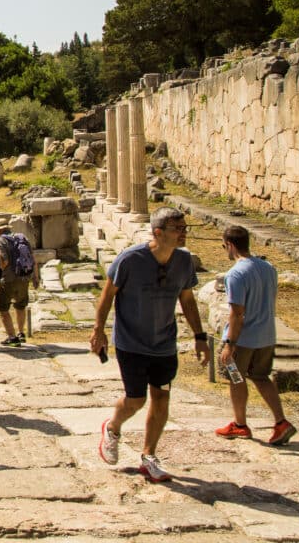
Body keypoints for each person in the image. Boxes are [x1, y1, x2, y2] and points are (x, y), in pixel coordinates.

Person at [90, 207, 210, 483]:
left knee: (162, 397)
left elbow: (188, 301)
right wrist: (99, 331)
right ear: (158, 232)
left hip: (164, 343)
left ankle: (149, 456)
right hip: (131, 342)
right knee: (136, 400)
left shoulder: (183, 261)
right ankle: (113, 427)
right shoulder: (130, 260)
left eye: (184, 228)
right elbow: (107, 296)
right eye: (177, 228)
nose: (183, 233)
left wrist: (200, 336)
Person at [215, 225, 296, 446]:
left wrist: (230, 344)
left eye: (224, 246)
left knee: (235, 377)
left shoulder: (236, 274)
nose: (225, 250)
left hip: (243, 339)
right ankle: (281, 422)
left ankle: (240, 424)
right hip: (266, 335)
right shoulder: (268, 267)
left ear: (230, 245)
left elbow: (237, 313)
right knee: (261, 377)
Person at [0, 223, 31, 347]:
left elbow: (4, 261)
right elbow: (32, 257)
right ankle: (21, 333)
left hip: (8, 278)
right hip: (24, 277)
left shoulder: (0, 241)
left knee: (3, 308)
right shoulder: (22, 238)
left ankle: (12, 337)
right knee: (20, 306)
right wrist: (35, 277)